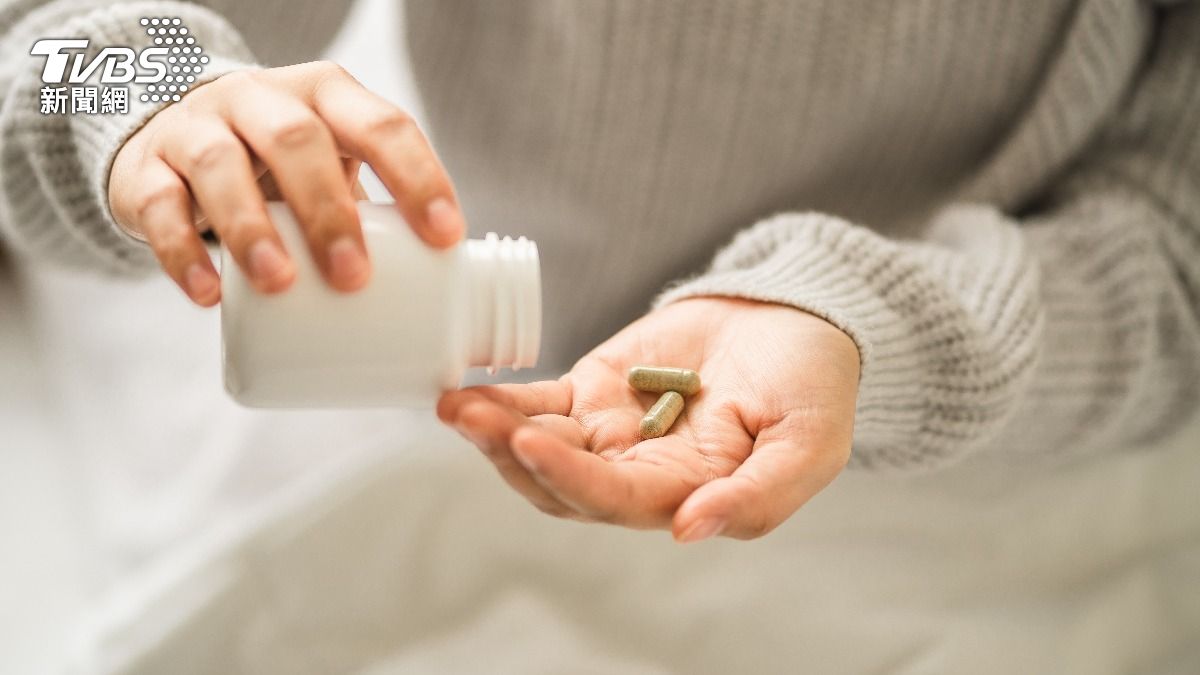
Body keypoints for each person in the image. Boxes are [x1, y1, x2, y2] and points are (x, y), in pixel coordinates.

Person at [2, 0, 1198, 668]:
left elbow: (1178, 236)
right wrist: (136, 93)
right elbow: (39, 45)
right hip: (517, 364)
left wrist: (868, 323)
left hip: (1021, 423)